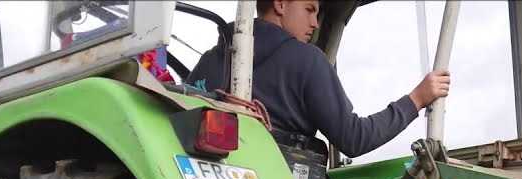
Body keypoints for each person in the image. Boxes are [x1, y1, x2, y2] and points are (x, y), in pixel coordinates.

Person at [186, 0, 451, 158]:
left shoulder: (209, 60)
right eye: (309, 9)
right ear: (280, 4)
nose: (314, 22)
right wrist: (416, 99)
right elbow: (354, 138)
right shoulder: (306, 60)